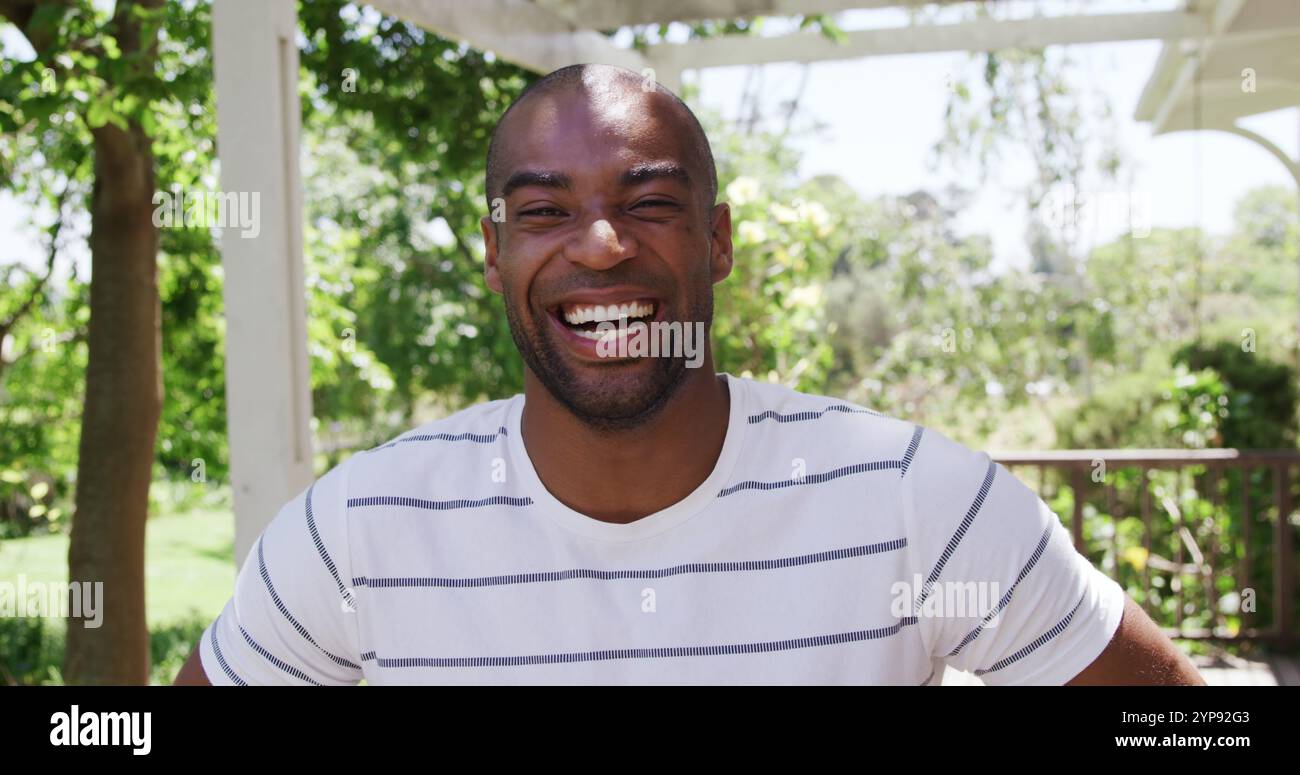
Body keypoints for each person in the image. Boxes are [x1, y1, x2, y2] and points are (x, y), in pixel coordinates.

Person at [175, 64, 1203, 686]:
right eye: (542, 211)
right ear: (493, 256)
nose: (602, 244)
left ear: (717, 240)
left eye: (651, 202)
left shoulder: (912, 497)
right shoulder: (357, 526)